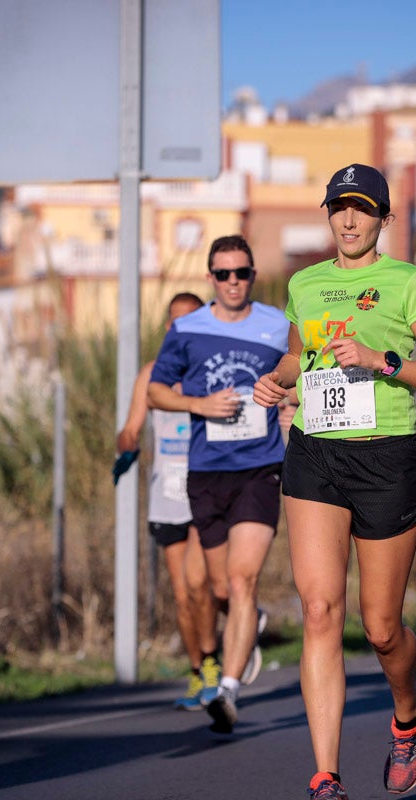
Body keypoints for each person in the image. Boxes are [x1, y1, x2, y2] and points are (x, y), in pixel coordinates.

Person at [254, 163, 416, 800]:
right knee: (319, 611)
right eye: (339, 208)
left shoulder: (406, 282)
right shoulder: (305, 283)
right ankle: (326, 777)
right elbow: (300, 355)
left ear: (383, 218)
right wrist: (277, 379)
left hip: (387, 462)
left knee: (381, 629)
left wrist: (382, 361)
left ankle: (408, 716)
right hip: (316, 454)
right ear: (328, 214)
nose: (349, 220)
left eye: (363, 209)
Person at [147, 235, 287, 734]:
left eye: (241, 273)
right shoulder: (187, 329)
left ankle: (227, 689)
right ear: (210, 278)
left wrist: (290, 405)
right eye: (223, 274)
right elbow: (156, 391)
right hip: (206, 471)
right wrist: (198, 405)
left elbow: (300, 375)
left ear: (253, 275)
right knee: (219, 585)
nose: (233, 282)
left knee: (243, 579)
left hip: (260, 467)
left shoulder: (278, 325)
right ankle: (247, 628)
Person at [116, 292, 230, 710]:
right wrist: (126, 444)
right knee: (183, 594)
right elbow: (130, 427)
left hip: (206, 488)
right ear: (167, 327)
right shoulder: (151, 374)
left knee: (204, 584)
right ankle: (199, 670)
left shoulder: (215, 369)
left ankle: (219, 656)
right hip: (167, 494)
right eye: (175, 321)